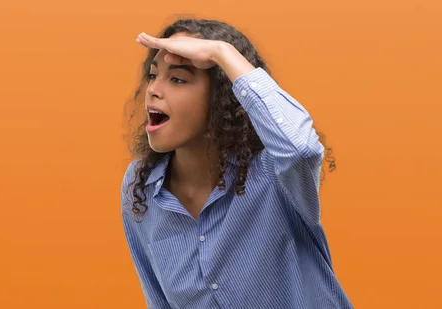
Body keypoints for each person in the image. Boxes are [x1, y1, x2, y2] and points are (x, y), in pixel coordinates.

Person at [121, 18, 353, 309]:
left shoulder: (274, 171)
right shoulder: (140, 185)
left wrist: (222, 53)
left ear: (222, 97)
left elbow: (301, 149)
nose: (154, 90)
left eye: (178, 79)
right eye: (153, 76)